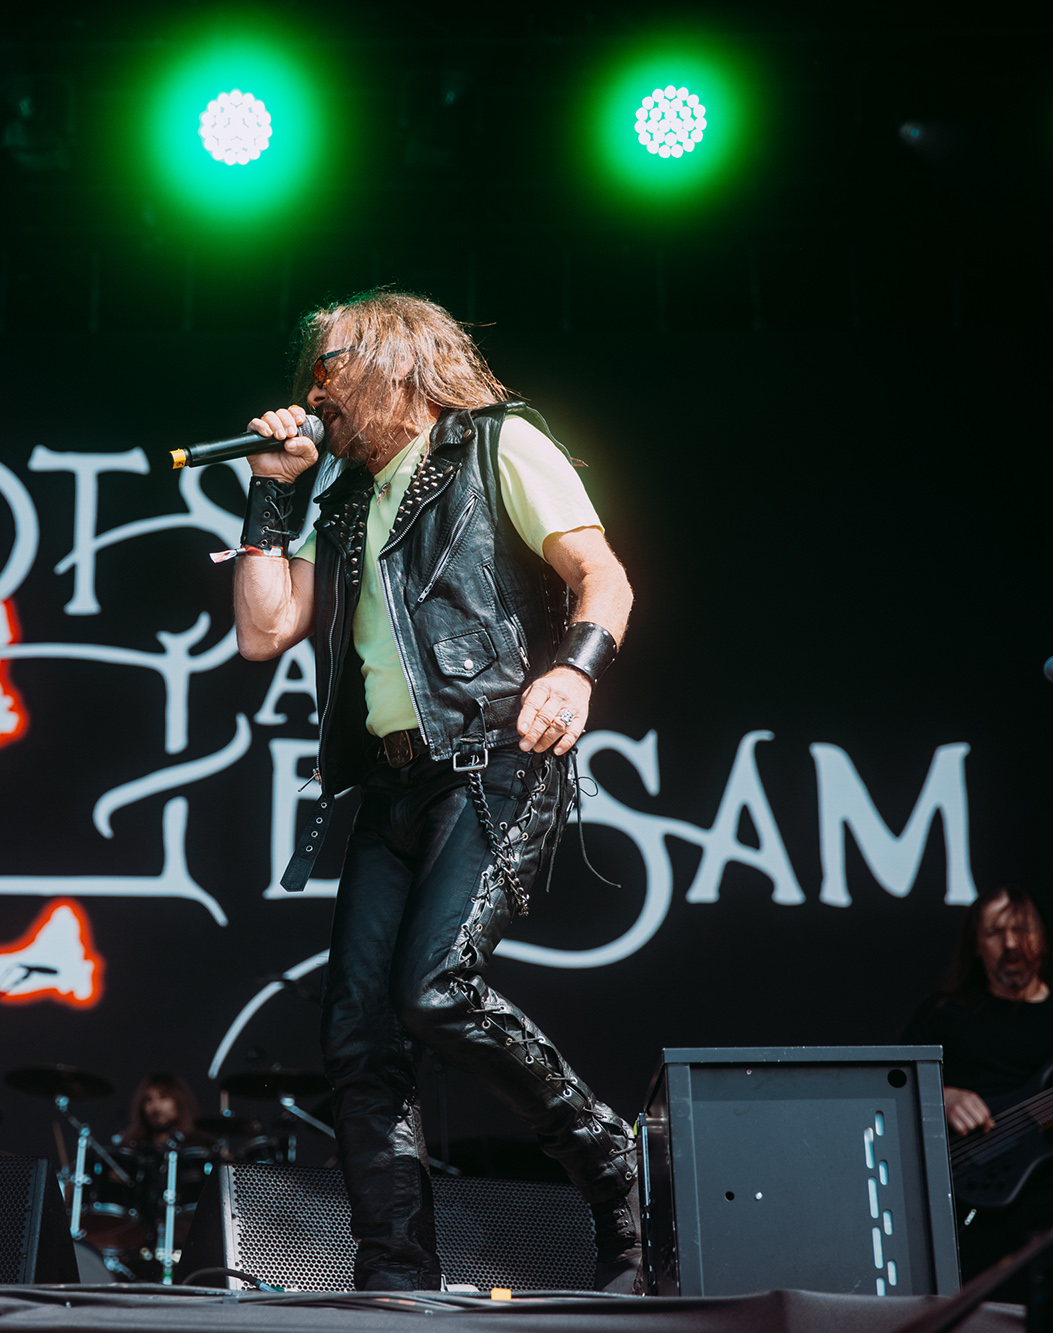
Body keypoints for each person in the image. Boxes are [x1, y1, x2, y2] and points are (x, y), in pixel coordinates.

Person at [229, 290, 640, 1292]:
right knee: (356, 1034)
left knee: (433, 989)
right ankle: (393, 1268)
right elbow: (262, 630)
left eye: (330, 363)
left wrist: (574, 670)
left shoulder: (496, 444)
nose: (314, 387)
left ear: (397, 360)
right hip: (389, 786)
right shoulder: (343, 499)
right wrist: (272, 491)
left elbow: (603, 575)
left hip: (493, 759)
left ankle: (617, 1166)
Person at [903, 886, 1053, 1313]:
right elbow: (892, 1098)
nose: (1012, 944)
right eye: (996, 932)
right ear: (976, 946)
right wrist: (941, 1097)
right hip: (971, 1201)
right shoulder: (942, 1015)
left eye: (1022, 929)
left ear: (1043, 938)